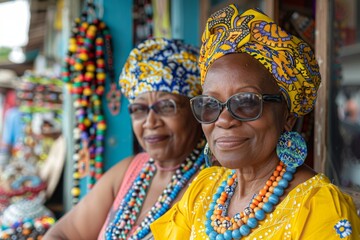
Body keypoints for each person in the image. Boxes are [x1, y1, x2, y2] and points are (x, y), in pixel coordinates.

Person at [150, 5, 360, 240]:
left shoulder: (317, 208)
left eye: (247, 102)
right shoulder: (203, 190)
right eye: (210, 104)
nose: (224, 120)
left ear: (287, 117)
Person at [44, 38, 205, 240]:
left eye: (166, 106)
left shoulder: (212, 182)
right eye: (139, 109)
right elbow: (61, 234)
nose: (150, 122)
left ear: (196, 110)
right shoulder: (130, 171)